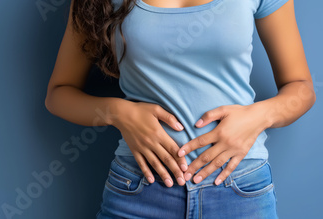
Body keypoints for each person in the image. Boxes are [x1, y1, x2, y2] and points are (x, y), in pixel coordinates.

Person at [45, 0, 316, 218]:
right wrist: (119, 112)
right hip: (139, 187)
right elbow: (58, 95)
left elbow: (301, 88)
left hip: (240, 188)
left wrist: (256, 117)